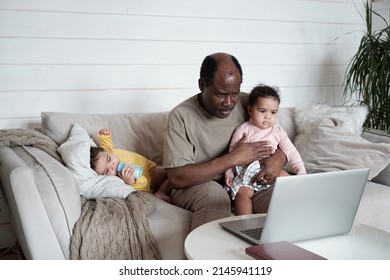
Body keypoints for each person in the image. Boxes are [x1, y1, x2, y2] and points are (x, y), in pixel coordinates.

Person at [163, 52, 287, 231]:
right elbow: (178, 177)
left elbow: (281, 140)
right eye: (220, 94)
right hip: (199, 184)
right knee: (216, 198)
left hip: (245, 182)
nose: (229, 102)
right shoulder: (181, 116)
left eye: (234, 93)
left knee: (287, 199)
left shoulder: (251, 104)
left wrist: (278, 159)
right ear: (202, 85)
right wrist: (233, 158)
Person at [225, 84, 306, 215]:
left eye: (273, 112)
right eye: (262, 111)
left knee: (291, 181)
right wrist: (229, 173)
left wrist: (301, 172)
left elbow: (291, 151)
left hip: (272, 169)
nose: (268, 117)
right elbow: (232, 152)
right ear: (250, 110)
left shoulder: (278, 131)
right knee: (242, 194)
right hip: (249, 173)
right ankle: (245, 222)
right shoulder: (244, 129)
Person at [90, 128, 171, 203]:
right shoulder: (120, 177)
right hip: (150, 177)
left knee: (170, 170)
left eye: (109, 159)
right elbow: (144, 183)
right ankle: (161, 191)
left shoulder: (108, 152)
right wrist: (131, 181)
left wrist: (105, 135)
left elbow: (106, 145)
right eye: (107, 171)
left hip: (149, 166)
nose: (112, 166)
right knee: (170, 171)